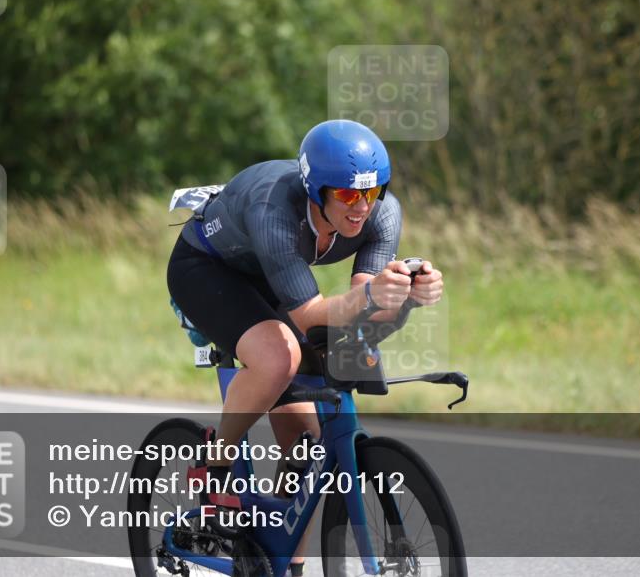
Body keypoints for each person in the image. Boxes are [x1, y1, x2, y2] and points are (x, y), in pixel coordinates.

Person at [166, 119, 445, 574]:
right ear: (317, 191)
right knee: (279, 359)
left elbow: (360, 311)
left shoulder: (383, 213)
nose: (362, 207)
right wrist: (370, 296)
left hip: (274, 274)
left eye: (371, 192)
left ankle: (284, 561)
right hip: (207, 270)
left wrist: (408, 297)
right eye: (348, 195)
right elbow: (311, 314)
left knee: (309, 445)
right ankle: (215, 465)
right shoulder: (275, 208)